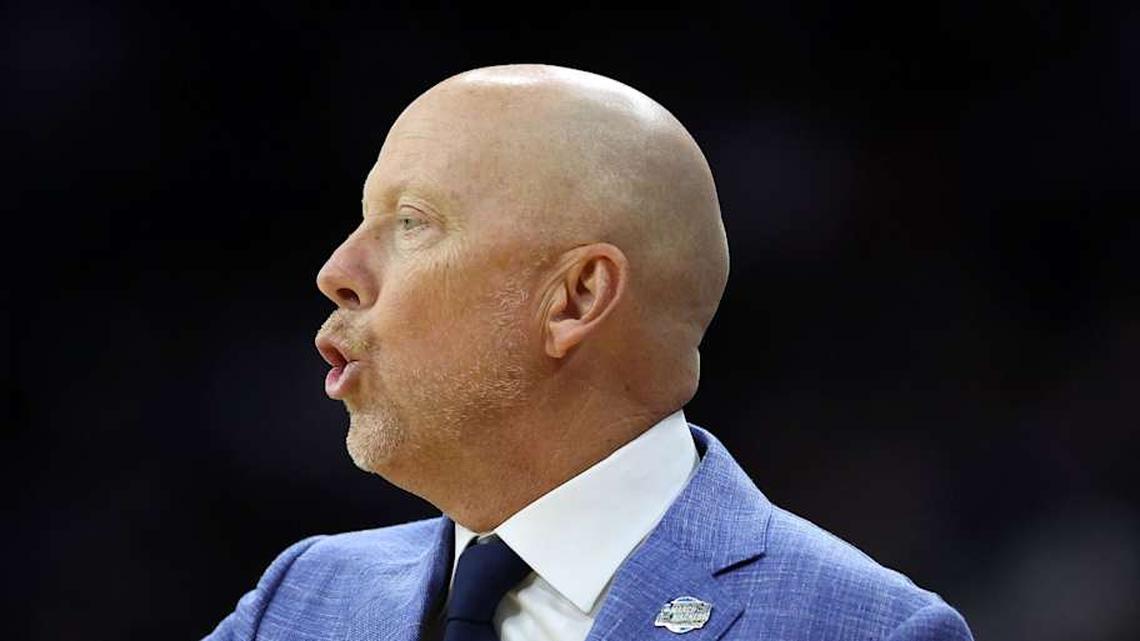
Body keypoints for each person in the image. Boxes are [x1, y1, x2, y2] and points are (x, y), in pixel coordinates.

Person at [204, 64, 973, 641]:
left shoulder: (863, 629)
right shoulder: (303, 598)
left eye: (411, 222)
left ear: (574, 298)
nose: (337, 271)